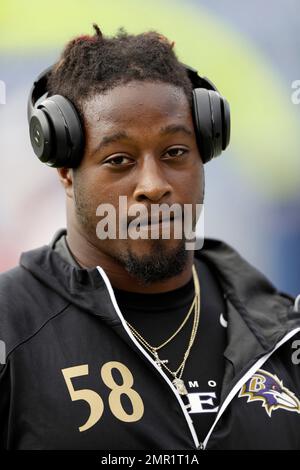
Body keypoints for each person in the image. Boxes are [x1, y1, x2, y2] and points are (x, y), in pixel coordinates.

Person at [0, 24, 299, 451]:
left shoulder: (282, 332)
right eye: (119, 160)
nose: (154, 184)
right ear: (67, 173)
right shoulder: (11, 329)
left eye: (175, 152)